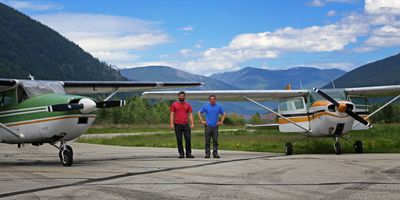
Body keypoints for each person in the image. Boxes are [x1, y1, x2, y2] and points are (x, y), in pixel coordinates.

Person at [170, 91, 195, 158]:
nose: (182, 97)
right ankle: (181, 153)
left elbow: (190, 114)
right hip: (177, 124)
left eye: (183, 96)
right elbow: (172, 114)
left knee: (188, 139)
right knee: (179, 139)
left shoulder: (188, 105)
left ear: (184, 97)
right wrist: (171, 124)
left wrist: (192, 123)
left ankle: (188, 153)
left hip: (186, 124)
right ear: (178, 96)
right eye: (180, 96)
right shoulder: (174, 104)